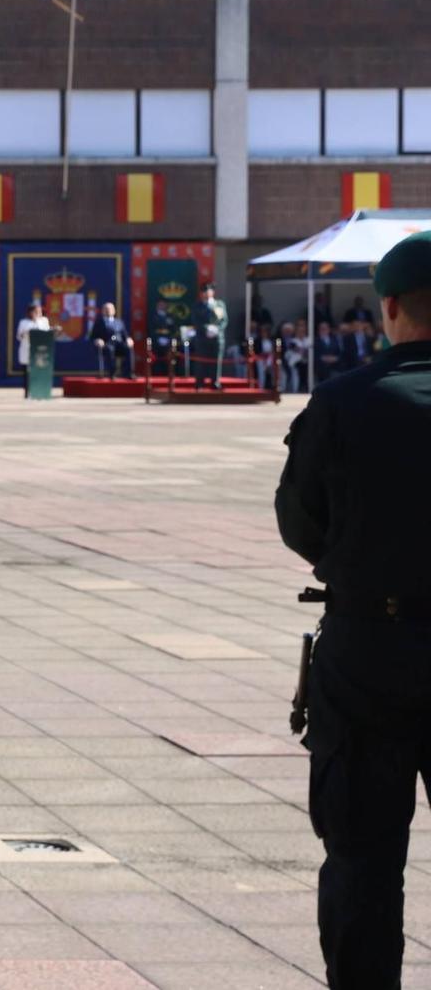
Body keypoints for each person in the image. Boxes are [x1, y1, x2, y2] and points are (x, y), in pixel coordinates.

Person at [276, 230, 431, 988]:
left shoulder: (342, 403)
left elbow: (300, 524)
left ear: (392, 308)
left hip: (370, 645)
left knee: (364, 859)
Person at [190, 283, 228, 389]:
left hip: (217, 338)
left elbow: (224, 320)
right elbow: (195, 320)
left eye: (208, 291)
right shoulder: (197, 306)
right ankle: (199, 383)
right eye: (204, 291)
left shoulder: (219, 304)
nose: (206, 293)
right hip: (202, 338)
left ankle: (215, 382)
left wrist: (217, 329)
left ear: (213, 292)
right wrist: (206, 328)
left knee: (216, 361)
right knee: (201, 361)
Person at [91, 301, 132, 379]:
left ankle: (128, 373)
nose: (108, 311)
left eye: (110, 309)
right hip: (107, 344)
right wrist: (98, 340)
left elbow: (125, 335)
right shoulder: (99, 322)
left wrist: (128, 339)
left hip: (119, 344)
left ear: (114, 311)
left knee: (128, 349)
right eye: (106, 309)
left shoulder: (119, 322)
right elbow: (93, 336)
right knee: (110, 349)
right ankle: (112, 373)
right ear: (102, 311)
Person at [16, 301, 51, 374]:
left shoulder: (44, 320)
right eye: (37, 311)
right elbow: (19, 337)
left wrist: (37, 320)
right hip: (27, 350)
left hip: (41, 351)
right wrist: (25, 333)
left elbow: (46, 332)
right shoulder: (23, 322)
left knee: (39, 372)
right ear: (30, 312)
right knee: (28, 373)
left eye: (40, 311)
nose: (39, 313)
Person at [312, 319, 342, 387]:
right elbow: (313, 354)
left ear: (329, 329)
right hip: (320, 366)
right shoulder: (315, 340)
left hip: (334, 365)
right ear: (318, 330)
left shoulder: (335, 339)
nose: (324, 330)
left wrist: (336, 358)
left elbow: (339, 352)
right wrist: (322, 358)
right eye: (322, 328)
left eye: (325, 328)